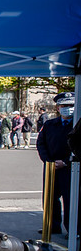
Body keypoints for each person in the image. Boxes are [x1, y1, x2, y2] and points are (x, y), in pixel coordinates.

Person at [37, 92, 77, 236]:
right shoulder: (50, 124)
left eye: (70, 105)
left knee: (70, 199)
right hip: (51, 167)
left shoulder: (77, 124)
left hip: (71, 168)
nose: (67, 108)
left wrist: (66, 162)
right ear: (58, 108)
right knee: (50, 198)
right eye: (64, 105)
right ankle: (52, 226)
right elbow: (41, 143)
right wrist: (49, 161)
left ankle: (72, 229)